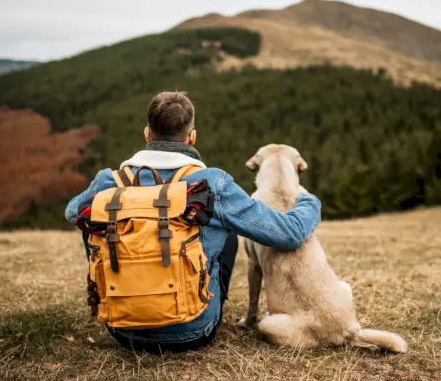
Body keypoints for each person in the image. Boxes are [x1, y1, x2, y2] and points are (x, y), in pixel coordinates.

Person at [65, 91, 322, 353]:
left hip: (123, 329)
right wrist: (308, 199)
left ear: (147, 134)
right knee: (228, 231)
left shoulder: (109, 182)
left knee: (99, 220)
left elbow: (73, 213)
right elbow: (290, 233)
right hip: (194, 330)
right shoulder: (211, 184)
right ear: (192, 136)